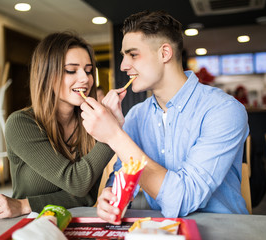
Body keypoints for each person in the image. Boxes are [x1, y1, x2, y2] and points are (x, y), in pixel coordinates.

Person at [80, 10, 249, 224]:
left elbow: (183, 199)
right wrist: (113, 195)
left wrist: (114, 135)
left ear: (164, 53)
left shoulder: (224, 110)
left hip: (224, 230)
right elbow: (122, 178)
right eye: (124, 56)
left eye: (132, 54)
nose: (123, 65)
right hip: (163, 230)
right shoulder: (137, 115)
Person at [0, 32, 114, 219]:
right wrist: (111, 133)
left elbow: (87, 196)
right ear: (47, 75)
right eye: (71, 70)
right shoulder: (21, 124)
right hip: (29, 225)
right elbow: (78, 183)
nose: (85, 78)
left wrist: (24, 204)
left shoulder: (90, 123)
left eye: (89, 69)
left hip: (75, 223)